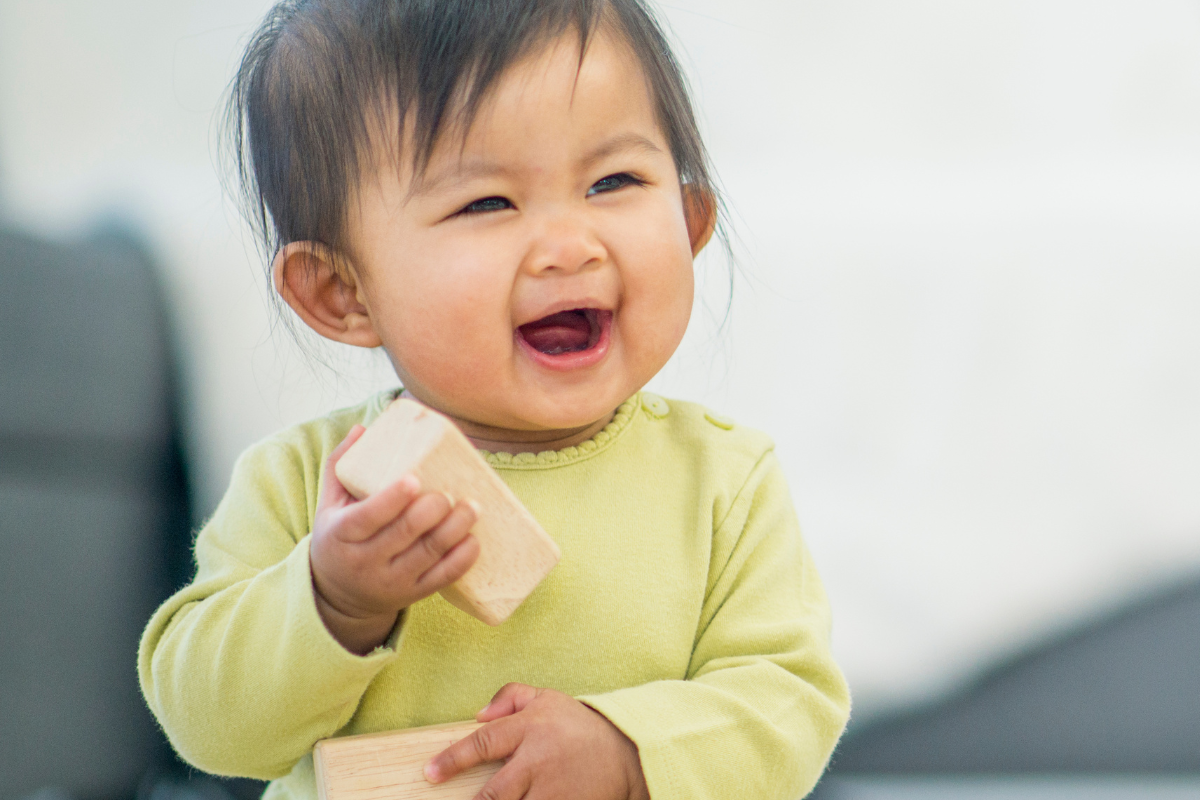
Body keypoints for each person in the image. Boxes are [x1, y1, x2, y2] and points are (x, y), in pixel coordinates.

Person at [138, 1, 850, 798]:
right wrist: (334, 599)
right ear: (344, 292)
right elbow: (209, 727)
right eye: (487, 203)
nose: (570, 246)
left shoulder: (723, 479)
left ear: (690, 220)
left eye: (613, 181)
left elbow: (790, 704)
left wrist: (625, 749)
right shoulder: (310, 483)